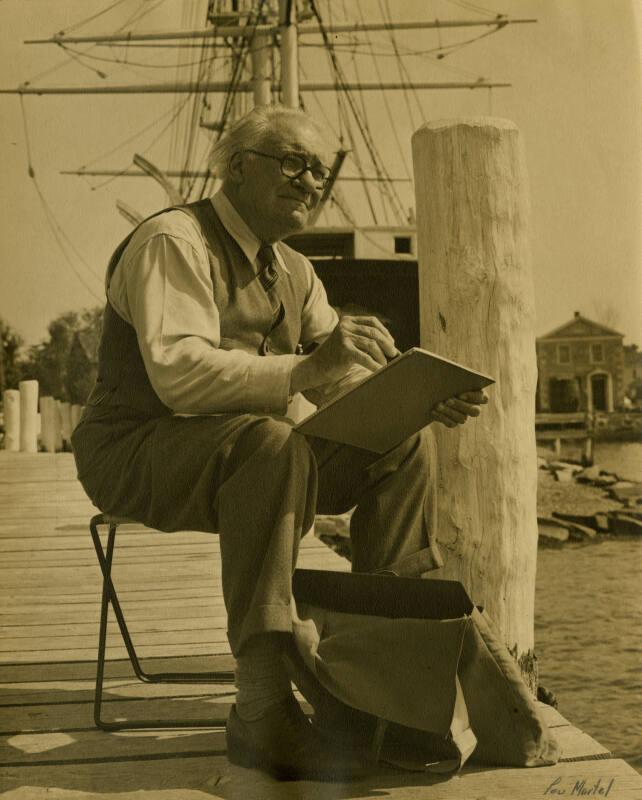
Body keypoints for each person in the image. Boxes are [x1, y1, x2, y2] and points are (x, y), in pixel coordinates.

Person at [72, 105, 487, 781]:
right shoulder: (174, 241)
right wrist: (307, 370)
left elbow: (341, 385)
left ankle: (382, 683)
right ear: (238, 168)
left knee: (401, 448)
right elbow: (177, 378)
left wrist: (415, 399)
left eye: (320, 172)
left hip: (248, 454)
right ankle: (261, 709)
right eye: (293, 163)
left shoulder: (294, 269)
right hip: (136, 449)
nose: (310, 183)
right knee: (271, 444)